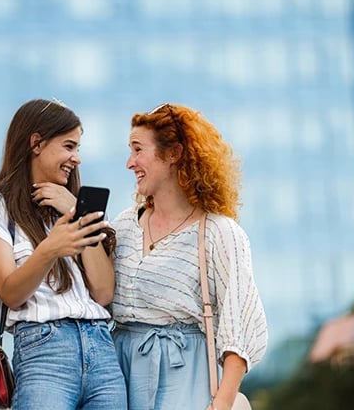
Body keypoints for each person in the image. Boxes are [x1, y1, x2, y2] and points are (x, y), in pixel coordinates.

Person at [111, 103, 268, 410]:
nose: (130, 162)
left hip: (185, 377)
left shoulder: (219, 233)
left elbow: (240, 324)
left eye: (138, 149)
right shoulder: (124, 225)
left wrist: (221, 404)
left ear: (174, 154)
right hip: (120, 375)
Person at [0, 99, 127, 409]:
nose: (77, 158)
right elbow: (10, 292)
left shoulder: (77, 205)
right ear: (36, 143)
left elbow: (103, 291)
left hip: (101, 349)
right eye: (69, 146)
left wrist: (75, 211)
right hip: (44, 350)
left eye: (78, 148)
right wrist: (50, 248)